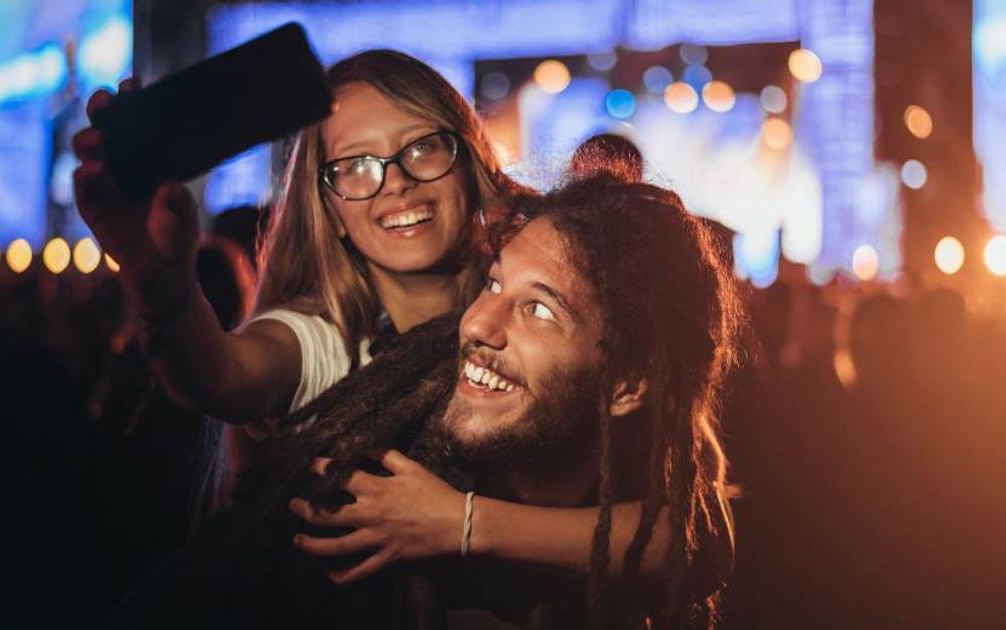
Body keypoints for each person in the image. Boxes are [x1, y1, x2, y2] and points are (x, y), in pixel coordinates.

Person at [75, 49, 675, 584]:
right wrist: (156, 276)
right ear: (330, 207)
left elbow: (696, 535)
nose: (396, 183)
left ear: (466, 159)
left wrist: (459, 524)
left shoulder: (555, 295)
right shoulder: (330, 344)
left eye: (421, 147)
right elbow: (217, 374)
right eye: (356, 166)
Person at [284, 177, 742, 627]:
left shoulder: (646, 461)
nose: (479, 324)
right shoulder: (373, 484)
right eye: (494, 282)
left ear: (625, 388)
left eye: (539, 310)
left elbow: (697, 542)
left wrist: (459, 524)